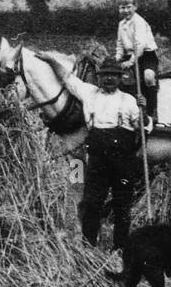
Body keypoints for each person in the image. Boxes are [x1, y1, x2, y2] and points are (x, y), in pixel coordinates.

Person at [43, 53, 142, 251]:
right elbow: (67, 78)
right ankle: (88, 246)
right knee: (92, 203)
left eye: (113, 75)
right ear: (99, 77)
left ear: (120, 77)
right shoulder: (88, 93)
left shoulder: (130, 100)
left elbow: (141, 128)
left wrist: (143, 112)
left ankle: (119, 248)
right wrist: (49, 59)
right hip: (98, 159)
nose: (109, 78)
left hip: (122, 159)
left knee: (122, 205)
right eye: (105, 75)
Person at [115, 0, 159, 130]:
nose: (126, 10)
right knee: (119, 79)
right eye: (122, 7)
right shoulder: (121, 25)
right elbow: (120, 44)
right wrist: (117, 59)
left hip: (146, 55)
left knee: (148, 76)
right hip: (129, 56)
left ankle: (152, 110)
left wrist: (131, 62)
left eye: (128, 7)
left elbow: (140, 45)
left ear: (135, 6)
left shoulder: (139, 22)